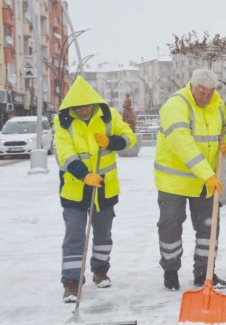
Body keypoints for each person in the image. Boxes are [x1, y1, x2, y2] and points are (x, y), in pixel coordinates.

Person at [54, 76, 136, 303]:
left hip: (104, 188)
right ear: (72, 106)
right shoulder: (63, 122)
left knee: (103, 234)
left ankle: (100, 271)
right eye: (79, 107)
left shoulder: (108, 115)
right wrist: (83, 174)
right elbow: (65, 154)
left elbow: (130, 137)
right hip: (75, 190)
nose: (84, 110)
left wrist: (111, 141)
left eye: (87, 105)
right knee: (74, 236)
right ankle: (72, 281)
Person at [154, 69, 226, 290]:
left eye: (209, 93)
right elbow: (182, 143)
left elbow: (224, 129)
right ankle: (170, 271)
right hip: (174, 181)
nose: (205, 98)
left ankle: (204, 272)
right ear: (192, 86)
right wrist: (207, 174)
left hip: (204, 182)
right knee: (171, 227)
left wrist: (225, 141)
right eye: (201, 93)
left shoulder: (218, 105)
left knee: (209, 227)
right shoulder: (176, 105)